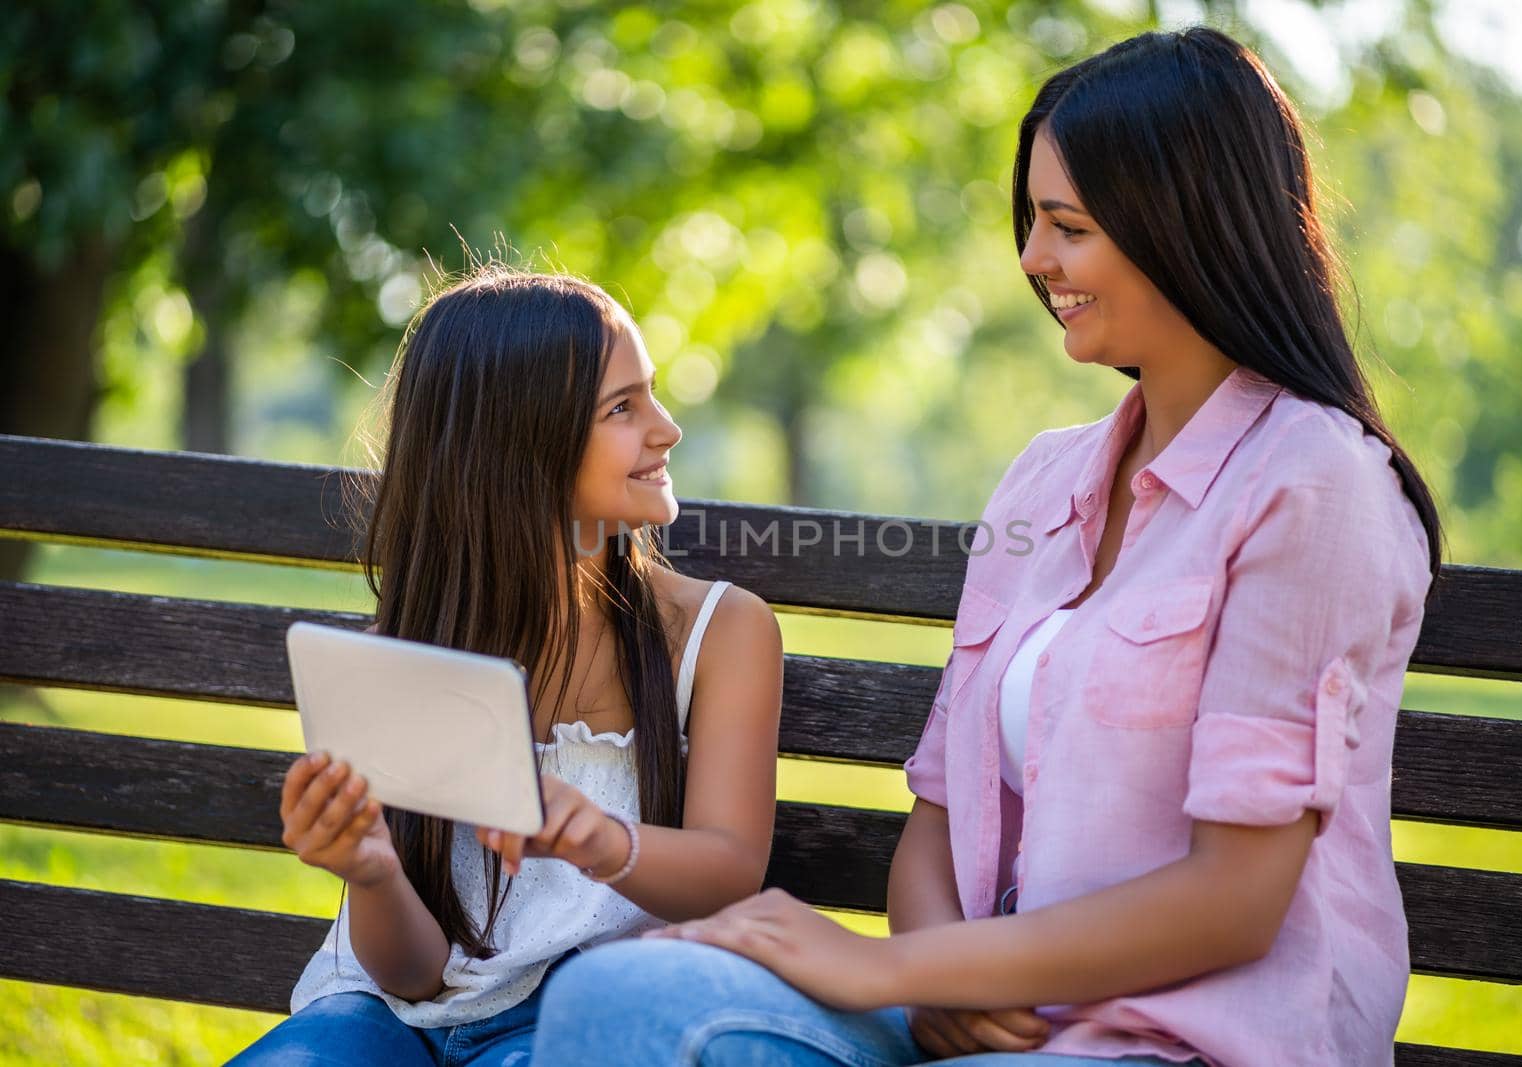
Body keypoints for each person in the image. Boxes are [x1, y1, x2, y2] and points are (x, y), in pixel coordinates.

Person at [528, 26, 1441, 1067]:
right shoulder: (1045, 483)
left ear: (1184, 227)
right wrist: (939, 983)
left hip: (1185, 1044)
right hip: (985, 1020)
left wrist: (896, 969)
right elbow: (940, 822)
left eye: (1069, 226)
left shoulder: (1313, 482)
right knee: (619, 998)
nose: (1033, 258)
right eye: (1035, 222)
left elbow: (1235, 897)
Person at [229, 268, 784, 1064]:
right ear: (521, 445)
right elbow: (413, 976)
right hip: (382, 1016)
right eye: (623, 407)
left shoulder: (718, 631)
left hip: (572, 1025)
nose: (666, 428)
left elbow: (730, 870)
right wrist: (374, 871)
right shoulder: (411, 642)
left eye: (650, 394)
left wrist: (602, 839)